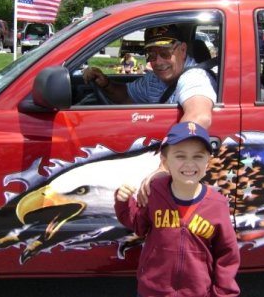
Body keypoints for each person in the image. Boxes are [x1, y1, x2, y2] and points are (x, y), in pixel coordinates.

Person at [114, 121, 240, 297]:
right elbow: (138, 225)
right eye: (180, 156)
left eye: (197, 156)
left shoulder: (217, 205)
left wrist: (223, 293)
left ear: (207, 162)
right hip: (152, 291)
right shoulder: (155, 192)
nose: (189, 164)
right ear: (165, 161)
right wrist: (124, 202)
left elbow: (227, 254)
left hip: (197, 292)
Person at [83, 24, 217, 128]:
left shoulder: (195, 78)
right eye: (151, 55)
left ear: (182, 50)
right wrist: (106, 84)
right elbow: (126, 95)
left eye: (165, 53)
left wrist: (171, 156)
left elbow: (199, 117)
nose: (158, 62)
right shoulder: (154, 78)